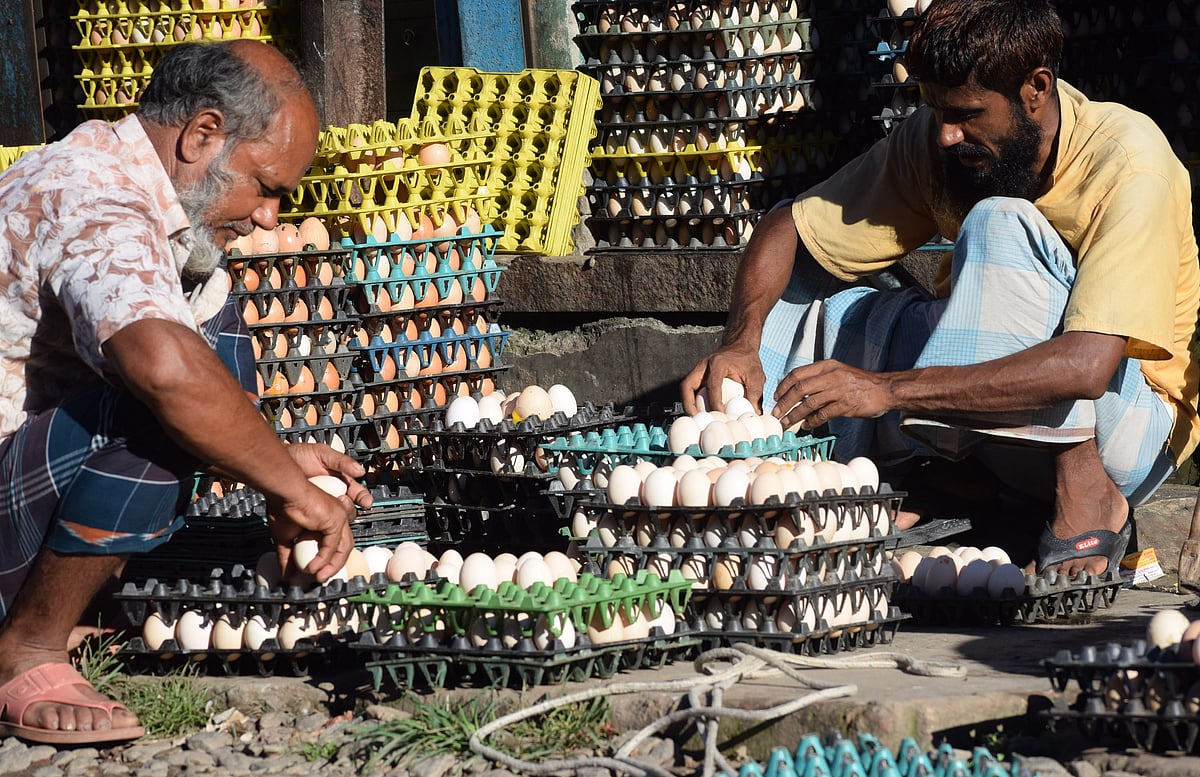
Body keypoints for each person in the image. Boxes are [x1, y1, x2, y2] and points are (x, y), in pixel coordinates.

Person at [683, 0, 1199, 578]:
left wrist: (888, 390)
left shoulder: (1129, 160)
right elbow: (790, 228)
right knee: (809, 284)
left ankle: (1087, 496)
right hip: (991, 424)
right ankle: (756, 480)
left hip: (1124, 433)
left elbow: (1087, 367)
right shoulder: (941, 138)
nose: (949, 134)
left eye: (968, 113)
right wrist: (740, 341)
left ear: (1036, 88)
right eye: (937, 111)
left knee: (999, 223)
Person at [0, 40, 372, 745]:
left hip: (21, 467)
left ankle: (64, 605)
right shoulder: (95, 194)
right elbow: (164, 372)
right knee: (166, 389)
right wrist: (288, 486)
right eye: (266, 187)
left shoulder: (143, 193)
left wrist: (273, 458)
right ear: (203, 134)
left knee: (211, 319)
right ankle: (27, 647)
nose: (268, 217)